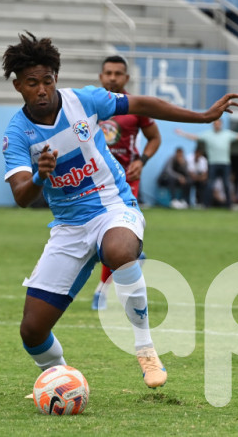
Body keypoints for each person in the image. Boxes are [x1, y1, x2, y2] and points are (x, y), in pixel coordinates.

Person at [1, 32, 238, 389]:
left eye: (47, 81)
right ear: (18, 86)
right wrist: (40, 174)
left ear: (56, 78)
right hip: (68, 226)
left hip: (113, 205)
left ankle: (145, 349)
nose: (42, 90)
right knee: (32, 331)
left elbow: (143, 104)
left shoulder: (84, 101)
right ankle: (62, 382)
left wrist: (202, 117)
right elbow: (22, 195)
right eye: (32, 83)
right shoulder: (17, 133)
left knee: (119, 250)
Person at [91, 55, 161, 310]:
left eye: (118, 73)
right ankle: (126, 263)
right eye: (108, 72)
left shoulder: (136, 106)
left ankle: (103, 289)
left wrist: (142, 160)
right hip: (95, 181)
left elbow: (155, 138)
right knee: (99, 237)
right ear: (101, 76)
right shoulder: (89, 105)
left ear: (126, 78)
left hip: (125, 182)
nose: (112, 77)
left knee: (115, 234)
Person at [175, 120, 238, 208]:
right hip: (213, 163)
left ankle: (228, 205)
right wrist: (182, 133)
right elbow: (195, 137)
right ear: (213, 125)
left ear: (221, 125)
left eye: (218, 124)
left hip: (225, 163)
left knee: (226, 184)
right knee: (210, 184)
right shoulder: (208, 135)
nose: (217, 125)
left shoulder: (227, 134)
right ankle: (206, 205)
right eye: (215, 124)